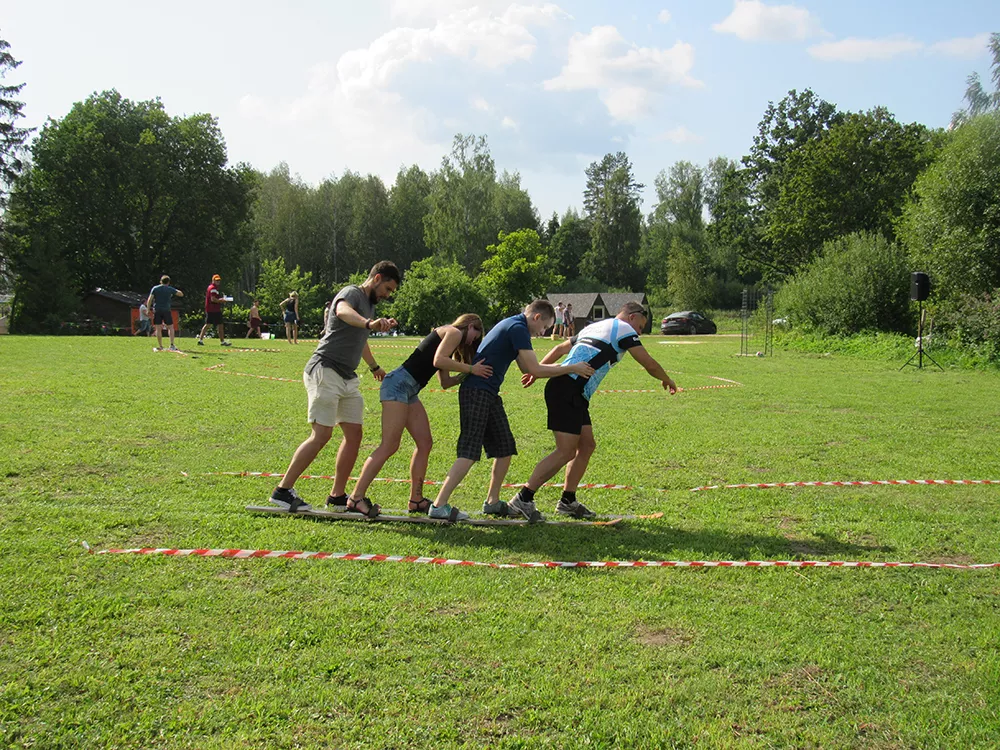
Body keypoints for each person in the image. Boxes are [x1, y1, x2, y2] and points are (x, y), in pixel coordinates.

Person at [428, 299, 595, 522]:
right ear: (536, 317)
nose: (542, 333)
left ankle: (493, 502)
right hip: (477, 392)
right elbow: (534, 368)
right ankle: (439, 506)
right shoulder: (518, 328)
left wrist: (562, 367)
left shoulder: (514, 325)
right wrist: (571, 367)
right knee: (469, 451)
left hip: (488, 393)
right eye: (544, 327)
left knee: (504, 448)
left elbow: (527, 368)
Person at [509, 302, 678, 520]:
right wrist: (667, 379)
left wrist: (538, 369)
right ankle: (523, 498)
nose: (640, 332)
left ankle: (568, 501)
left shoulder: (596, 326)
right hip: (566, 389)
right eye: (641, 326)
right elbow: (648, 363)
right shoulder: (624, 329)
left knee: (587, 445)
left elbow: (560, 348)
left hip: (573, 391)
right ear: (632, 317)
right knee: (566, 451)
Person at [269, 261, 401, 514]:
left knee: (354, 435)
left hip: (347, 377)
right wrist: (368, 323)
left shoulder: (370, 305)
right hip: (325, 369)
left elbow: (360, 338)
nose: (387, 295)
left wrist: (374, 367)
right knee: (321, 435)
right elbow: (342, 312)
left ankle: (337, 496)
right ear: (377, 278)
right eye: (387, 288)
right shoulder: (352, 293)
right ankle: (282, 491)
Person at [347, 313, 492, 515]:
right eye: (475, 334)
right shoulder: (453, 332)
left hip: (409, 390)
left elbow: (444, 382)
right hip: (397, 385)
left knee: (425, 443)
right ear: (469, 325)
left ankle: (416, 500)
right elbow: (438, 360)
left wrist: (465, 375)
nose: (473, 339)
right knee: (389, 445)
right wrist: (471, 368)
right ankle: (356, 498)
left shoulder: (450, 341)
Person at [146, 275, 183, 352]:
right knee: (170, 327)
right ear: (168, 282)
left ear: (160, 281)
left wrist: (148, 309)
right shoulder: (169, 289)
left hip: (157, 310)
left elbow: (150, 299)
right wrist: (173, 290)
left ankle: (160, 346)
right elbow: (181, 294)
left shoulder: (155, 288)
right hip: (166, 310)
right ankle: (172, 344)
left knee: (158, 328)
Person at [197, 274, 232, 346]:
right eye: (216, 280)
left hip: (213, 309)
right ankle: (201, 340)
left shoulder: (213, 288)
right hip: (213, 309)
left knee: (217, 325)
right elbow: (213, 299)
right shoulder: (213, 288)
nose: (218, 281)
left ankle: (201, 340)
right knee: (210, 325)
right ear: (213, 280)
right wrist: (221, 300)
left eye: (219, 280)